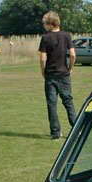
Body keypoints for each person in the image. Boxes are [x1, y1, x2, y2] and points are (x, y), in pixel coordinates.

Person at [39, 11, 76, 140]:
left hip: (50, 75)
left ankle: (56, 133)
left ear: (50, 24)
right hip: (64, 74)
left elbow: (43, 58)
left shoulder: (45, 38)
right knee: (68, 101)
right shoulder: (66, 36)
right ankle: (76, 129)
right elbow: (72, 54)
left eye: (44, 23)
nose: (44, 25)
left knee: (52, 104)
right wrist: (70, 68)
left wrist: (43, 71)